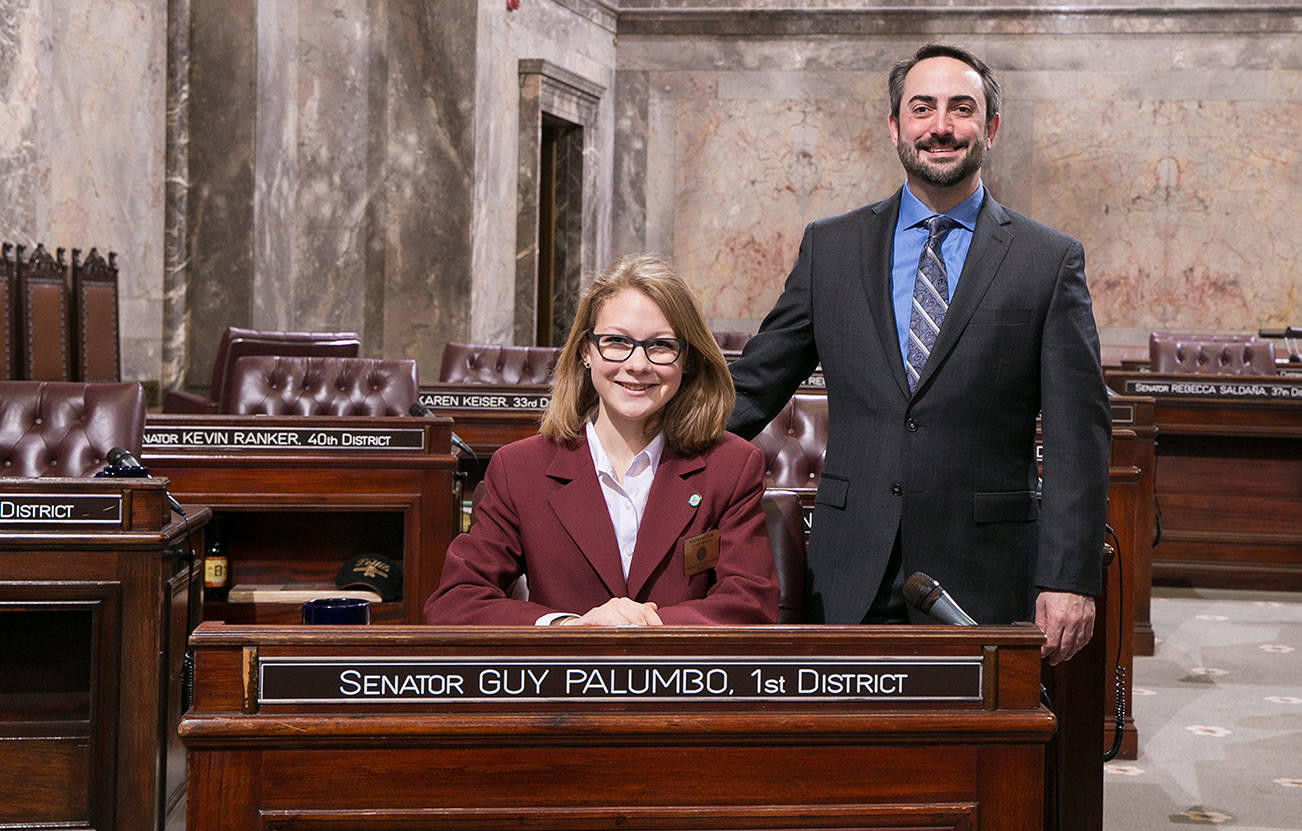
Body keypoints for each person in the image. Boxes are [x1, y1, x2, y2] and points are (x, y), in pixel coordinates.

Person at [726, 44, 1110, 664]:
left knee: (979, 758)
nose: (941, 127)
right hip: (850, 563)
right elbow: (755, 385)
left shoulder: (1048, 260)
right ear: (895, 126)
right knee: (845, 752)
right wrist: (643, 443)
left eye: (962, 109)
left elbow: (1077, 433)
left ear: (990, 128)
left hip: (986, 571)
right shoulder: (831, 247)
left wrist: (1069, 576)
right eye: (922, 108)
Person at [425, 254, 778, 626]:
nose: (638, 364)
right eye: (616, 341)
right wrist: (570, 628)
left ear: (687, 359)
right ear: (585, 352)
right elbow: (456, 601)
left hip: (680, 680)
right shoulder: (519, 469)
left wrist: (645, 627)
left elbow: (751, 604)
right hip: (563, 681)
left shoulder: (733, 466)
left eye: (660, 345)